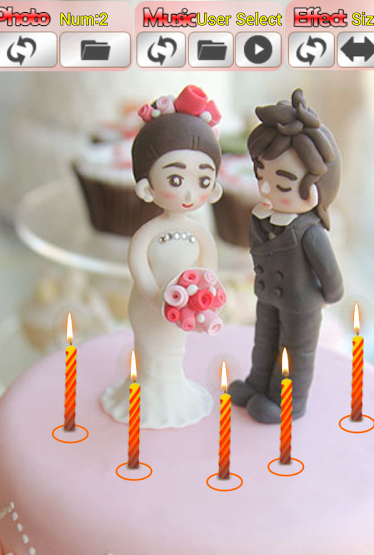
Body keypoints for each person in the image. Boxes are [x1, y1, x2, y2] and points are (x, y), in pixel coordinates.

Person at [101, 86, 223, 428]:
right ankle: (146, 395)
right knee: (151, 348)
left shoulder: (198, 231)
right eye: (175, 178)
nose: (189, 192)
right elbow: (138, 263)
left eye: (202, 179)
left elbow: (208, 265)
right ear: (146, 185)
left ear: (214, 187)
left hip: (184, 310)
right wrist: (155, 296)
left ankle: (173, 393)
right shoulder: (149, 232)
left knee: (175, 348)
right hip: (149, 305)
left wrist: (203, 293)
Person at [229, 88, 344, 423]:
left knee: (294, 353)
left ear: (315, 191)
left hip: (301, 304)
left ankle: (288, 403)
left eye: (282, 184)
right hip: (267, 296)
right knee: (264, 340)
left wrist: (327, 297)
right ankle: (258, 383)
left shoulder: (310, 233)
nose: (266, 189)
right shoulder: (260, 217)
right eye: (261, 176)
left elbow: (331, 275)